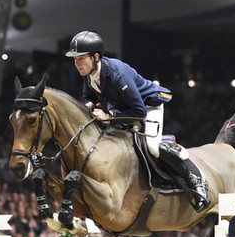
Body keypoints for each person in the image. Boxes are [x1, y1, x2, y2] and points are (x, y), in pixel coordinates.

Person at [65, 30, 209, 212]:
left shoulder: (118, 74)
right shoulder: (89, 72)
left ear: (95, 57)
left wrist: (109, 117)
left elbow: (139, 112)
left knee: (153, 147)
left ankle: (195, 181)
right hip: (122, 108)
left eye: (80, 58)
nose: (77, 64)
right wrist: (92, 106)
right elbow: (86, 96)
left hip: (148, 106)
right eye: (75, 59)